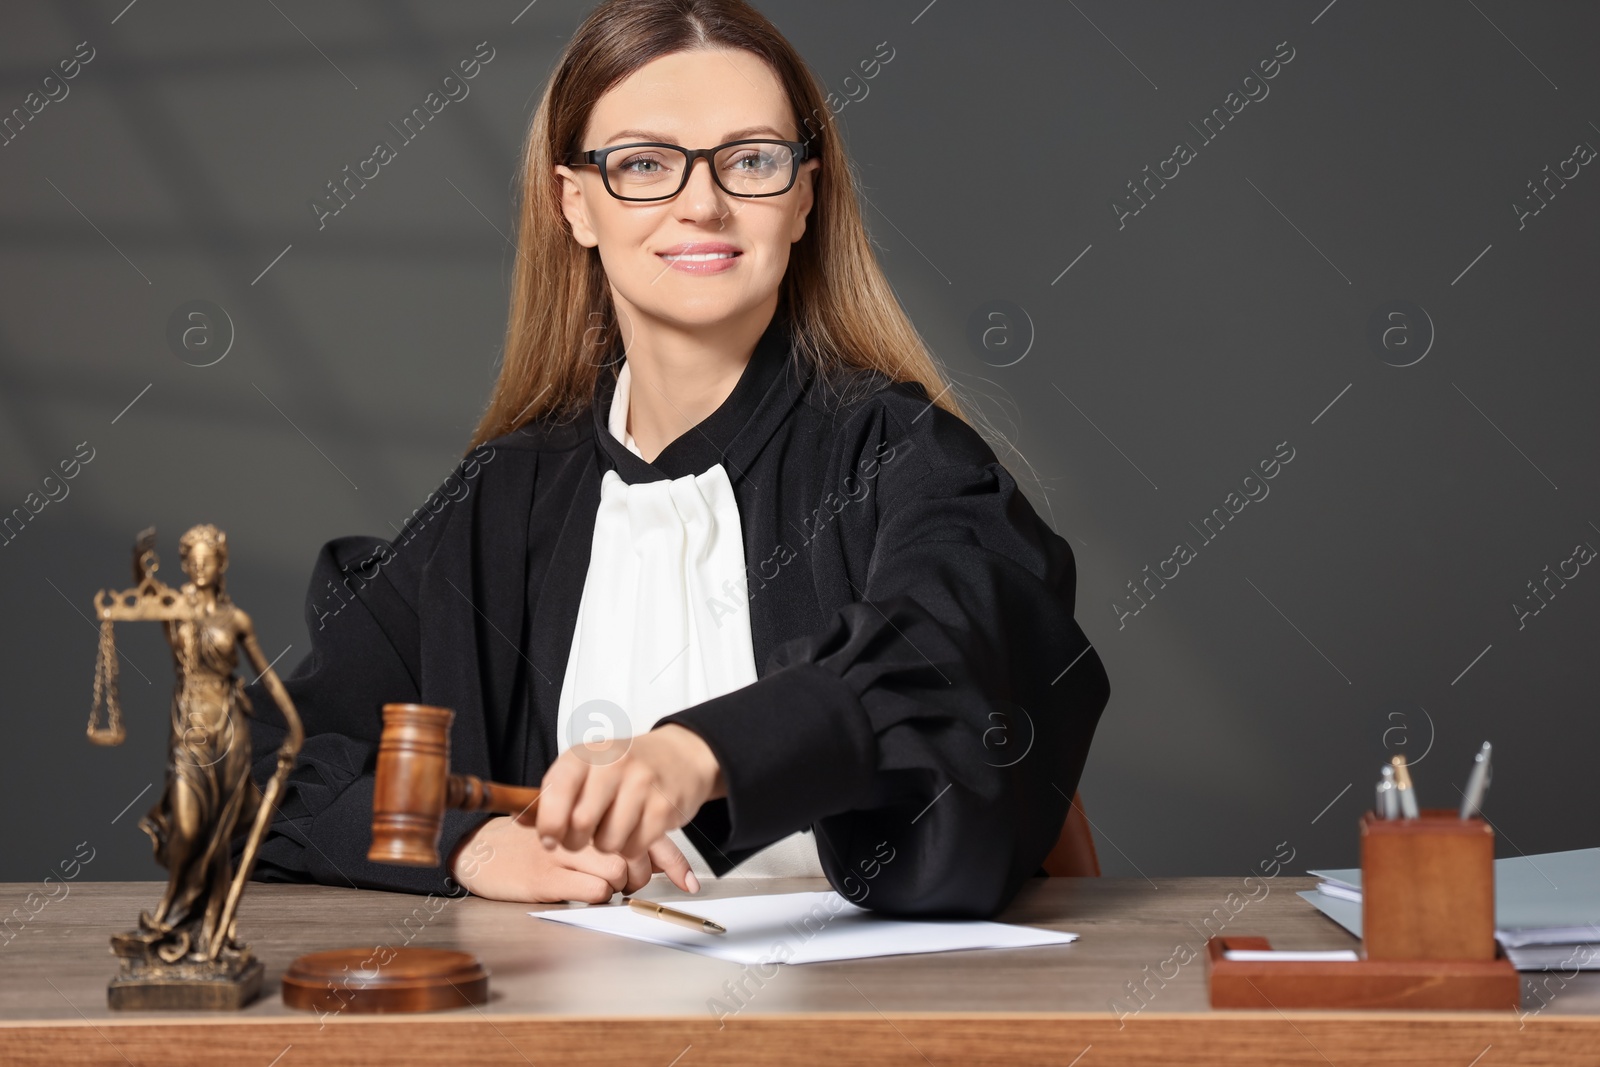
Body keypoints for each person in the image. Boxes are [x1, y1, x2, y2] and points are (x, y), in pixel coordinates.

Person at [239, 0, 1110, 919]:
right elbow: (261, 760)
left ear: (805, 195)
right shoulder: (497, 502)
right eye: (645, 164)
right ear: (574, 201)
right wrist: (474, 844)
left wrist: (699, 754)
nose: (704, 202)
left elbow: (950, 659)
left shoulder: (904, 457)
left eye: (751, 159)